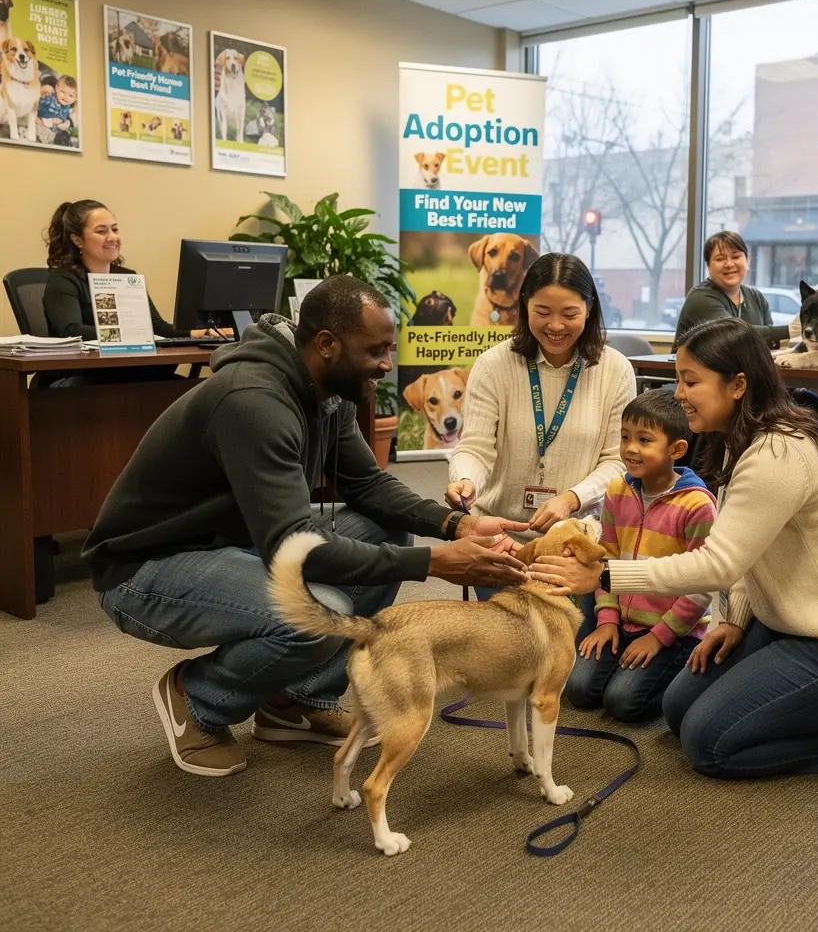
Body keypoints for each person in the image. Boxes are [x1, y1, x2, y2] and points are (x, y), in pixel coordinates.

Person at [83, 275, 530, 778]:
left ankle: (291, 700)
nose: (387, 365)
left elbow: (368, 485)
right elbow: (294, 547)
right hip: (145, 567)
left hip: (235, 541)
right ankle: (197, 698)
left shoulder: (327, 390)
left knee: (387, 530)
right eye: (376, 350)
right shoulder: (254, 402)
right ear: (326, 344)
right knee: (319, 613)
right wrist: (433, 564)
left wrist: (455, 525)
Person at [530, 317, 818, 778]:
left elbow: (718, 564)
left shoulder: (779, 454)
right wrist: (735, 620)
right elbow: (744, 551)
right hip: (787, 619)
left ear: (738, 384)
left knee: (710, 745)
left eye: (690, 381)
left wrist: (604, 576)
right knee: (679, 711)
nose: (679, 393)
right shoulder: (739, 441)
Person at [446, 252, 635, 605]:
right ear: (524, 306)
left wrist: (571, 498)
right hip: (502, 536)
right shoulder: (492, 366)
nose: (556, 326)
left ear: (590, 309)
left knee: (571, 649)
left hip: (575, 540)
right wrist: (467, 479)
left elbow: (617, 461)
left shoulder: (615, 370)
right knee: (511, 642)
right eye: (543, 313)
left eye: (569, 314)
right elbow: (475, 447)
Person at [563, 388, 716, 723]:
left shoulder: (697, 506)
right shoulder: (617, 490)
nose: (630, 448)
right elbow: (606, 559)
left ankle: (685, 677)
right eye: (625, 437)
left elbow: (702, 585)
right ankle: (626, 663)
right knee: (578, 690)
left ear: (676, 449)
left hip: (672, 630)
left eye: (645, 440)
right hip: (621, 617)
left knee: (623, 703)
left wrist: (657, 638)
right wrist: (606, 621)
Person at [43, 199, 218, 341]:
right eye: (101, 231)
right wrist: (132, 335)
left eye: (115, 229)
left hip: (127, 369)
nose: (112, 237)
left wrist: (202, 333)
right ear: (77, 240)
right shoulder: (64, 280)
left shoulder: (127, 277)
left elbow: (156, 327)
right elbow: (70, 330)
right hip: (79, 376)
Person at [671, 232, 791, 352]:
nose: (729, 264)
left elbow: (769, 344)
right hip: (697, 370)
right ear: (709, 267)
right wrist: (791, 330)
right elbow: (732, 334)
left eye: (736, 257)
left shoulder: (756, 297)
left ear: (748, 261)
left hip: (746, 370)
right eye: (720, 259)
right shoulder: (700, 297)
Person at [34, 75, 77, 145]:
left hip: (56, 129)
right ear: (56, 88)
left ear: (75, 98)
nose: (66, 97)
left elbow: (67, 119)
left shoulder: (68, 106)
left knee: (63, 132)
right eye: (62, 92)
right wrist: (49, 121)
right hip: (42, 121)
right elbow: (37, 108)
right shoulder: (50, 98)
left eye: (70, 95)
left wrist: (66, 123)